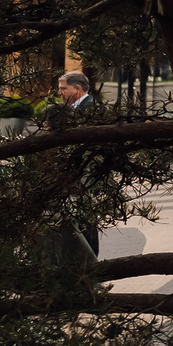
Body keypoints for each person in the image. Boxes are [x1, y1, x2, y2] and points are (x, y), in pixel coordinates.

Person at [52, 70, 102, 266]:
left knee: (86, 218)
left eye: (63, 89)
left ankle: (89, 262)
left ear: (77, 88)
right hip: (76, 174)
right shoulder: (71, 109)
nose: (60, 93)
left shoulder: (91, 109)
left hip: (85, 174)